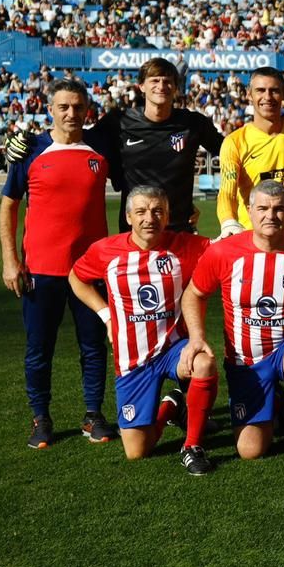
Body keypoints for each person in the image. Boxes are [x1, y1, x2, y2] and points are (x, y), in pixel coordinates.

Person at [180, 180, 284, 465]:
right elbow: (193, 294)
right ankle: (276, 407)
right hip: (247, 362)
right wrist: (196, 336)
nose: (271, 216)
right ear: (250, 212)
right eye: (263, 208)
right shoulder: (223, 252)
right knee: (251, 450)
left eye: (279, 209)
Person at [68, 185, 216, 472]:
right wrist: (106, 316)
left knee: (205, 363)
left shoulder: (186, 246)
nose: (150, 218)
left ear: (168, 215)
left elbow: (228, 249)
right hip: (133, 360)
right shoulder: (105, 251)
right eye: (142, 212)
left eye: (158, 211)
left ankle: (192, 444)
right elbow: (76, 277)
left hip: (175, 349)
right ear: (128, 217)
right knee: (137, 451)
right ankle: (171, 406)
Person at [0, 78, 113, 449]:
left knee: (94, 346)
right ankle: (41, 418)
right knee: (39, 348)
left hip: (89, 270)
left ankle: (93, 414)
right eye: (64, 106)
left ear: (87, 109)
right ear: (51, 109)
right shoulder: (31, 149)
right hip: (41, 270)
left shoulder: (100, 146)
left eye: (78, 106)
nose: (71, 113)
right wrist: (10, 259)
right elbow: (9, 206)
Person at [85, 57, 225, 233]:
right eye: (155, 80)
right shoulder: (119, 121)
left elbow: (229, 152)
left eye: (167, 81)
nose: (161, 86)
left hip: (179, 230)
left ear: (175, 87)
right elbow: (81, 146)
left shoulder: (193, 123)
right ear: (141, 86)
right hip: (134, 231)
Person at [216, 66, 284, 236]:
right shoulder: (235, 142)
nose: (267, 97)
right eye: (260, 90)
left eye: (274, 91)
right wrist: (228, 222)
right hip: (254, 242)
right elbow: (227, 191)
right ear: (249, 94)